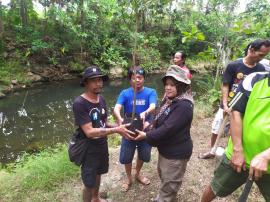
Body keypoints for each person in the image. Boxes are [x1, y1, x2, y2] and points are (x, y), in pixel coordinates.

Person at [201, 71, 270, 201]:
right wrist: (237, 149)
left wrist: (266, 156)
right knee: (215, 187)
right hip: (238, 155)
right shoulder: (254, 80)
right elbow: (236, 112)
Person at [199, 39, 270, 159]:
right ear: (251, 50)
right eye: (261, 55)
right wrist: (225, 105)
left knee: (237, 132)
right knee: (217, 129)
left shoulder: (261, 69)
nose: (262, 58)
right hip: (228, 105)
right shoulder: (234, 65)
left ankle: (231, 154)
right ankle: (212, 151)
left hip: (245, 108)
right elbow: (225, 85)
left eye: (265, 56)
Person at [73, 66, 134, 202]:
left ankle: (96, 198)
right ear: (86, 83)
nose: (98, 83)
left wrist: (119, 126)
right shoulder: (79, 103)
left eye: (100, 80)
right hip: (88, 149)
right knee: (89, 183)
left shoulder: (101, 99)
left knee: (99, 172)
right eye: (94, 81)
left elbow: (103, 123)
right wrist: (116, 130)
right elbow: (89, 132)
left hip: (101, 144)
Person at [135, 65, 194, 202]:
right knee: (165, 177)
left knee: (170, 184)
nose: (168, 88)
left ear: (181, 86)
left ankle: (165, 198)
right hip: (166, 150)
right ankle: (166, 196)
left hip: (176, 154)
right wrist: (149, 126)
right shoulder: (169, 101)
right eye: (166, 84)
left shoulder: (184, 106)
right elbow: (159, 118)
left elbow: (168, 128)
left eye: (172, 85)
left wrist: (146, 136)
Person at [113, 66, 158, 191]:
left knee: (143, 155)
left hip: (145, 129)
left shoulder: (151, 92)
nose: (137, 80)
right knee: (127, 156)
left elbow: (153, 106)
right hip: (129, 129)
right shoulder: (125, 93)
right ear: (130, 80)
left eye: (139, 77)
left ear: (143, 78)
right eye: (133, 78)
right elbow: (117, 108)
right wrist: (119, 118)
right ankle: (128, 178)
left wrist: (145, 112)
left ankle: (137, 173)